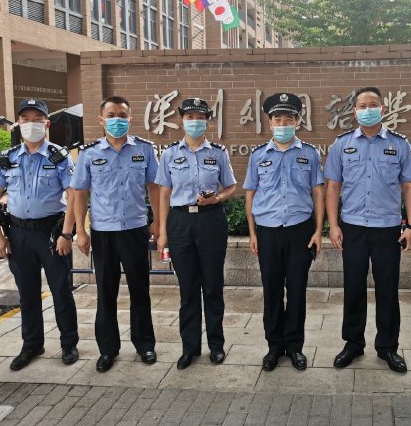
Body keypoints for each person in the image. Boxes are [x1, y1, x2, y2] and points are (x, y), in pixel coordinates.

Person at [324, 87, 411, 373]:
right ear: (354, 111)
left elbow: (408, 187)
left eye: (373, 104)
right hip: (352, 228)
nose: (368, 109)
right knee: (353, 288)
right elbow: (333, 187)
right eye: (363, 105)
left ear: (383, 109)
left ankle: (387, 347)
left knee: (387, 290)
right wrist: (333, 225)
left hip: (387, 229)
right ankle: (353, 343)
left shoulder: (399, 144)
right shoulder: (341, 144)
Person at [0, 99, 79, 371]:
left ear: (46, 123)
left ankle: (68, 344)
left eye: (37, 119)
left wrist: (66, 234)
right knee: (27, 293)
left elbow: (74, 195)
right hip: (19, 234)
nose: (31, 124)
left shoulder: (58, 156)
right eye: (25, 119)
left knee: (61, 291)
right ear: (18, 123)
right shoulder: (9, 158)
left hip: (51, 233)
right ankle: (32, 344)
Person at [71, 96, 160, 373]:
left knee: (140, 290)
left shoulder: (144, 149)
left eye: (122, 115)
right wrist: (80, 231)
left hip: (135, 230)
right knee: (105, 292)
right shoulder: (89, 153)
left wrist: (158, 221)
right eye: (111, 115)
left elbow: (154, 187)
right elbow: (79, 193)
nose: (117, 119)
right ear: (101, 120)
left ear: (130, 118)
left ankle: (144, 344)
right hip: (103, 233)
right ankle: (108, 349)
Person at [243, 93, 324, 372]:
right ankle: (274, 347)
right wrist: (252, 233)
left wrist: (318, 231)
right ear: (270, 123)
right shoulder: (258, 156)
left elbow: (317, 192)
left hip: (300, 231)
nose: (282, 124)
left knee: (297, 290)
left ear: (297, 122)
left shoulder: (310, 153)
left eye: (288, 119)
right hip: (268, 231)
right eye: (277, 120)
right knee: (272, 290)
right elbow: (250, 194)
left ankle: (295, 346)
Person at [155, 98, 236, 370]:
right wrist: (163, 231)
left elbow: (231, 187)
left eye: (200, 117)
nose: (194, 122)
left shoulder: (218, 152)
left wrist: (217, 198)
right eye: (189, 117)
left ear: (207, 121)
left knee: (213, 286)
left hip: (211, 220)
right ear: (181, 120)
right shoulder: (169, 154)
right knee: (188, 289)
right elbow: (164, 193)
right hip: (180, 222)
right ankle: (189, 348)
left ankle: (216, 345)